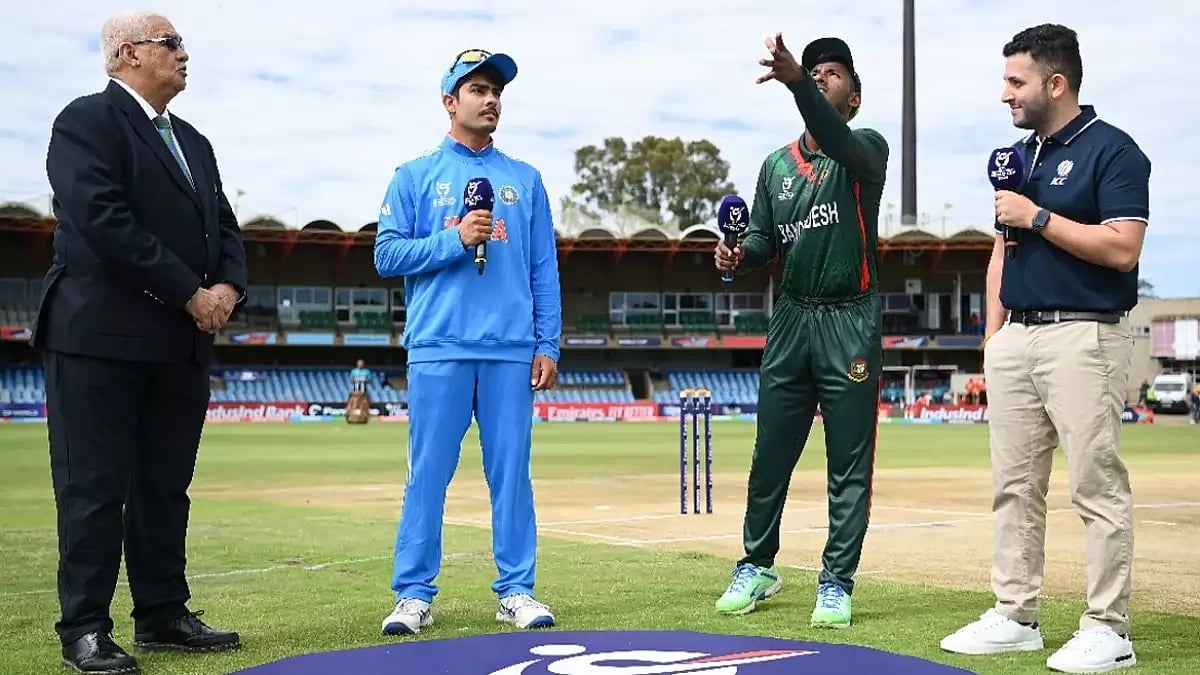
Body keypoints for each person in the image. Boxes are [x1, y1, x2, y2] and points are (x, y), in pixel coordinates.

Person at [32, 10, 245, 674]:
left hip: (177, 344)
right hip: (99, 336)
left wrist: (228, 287)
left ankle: (161, 614)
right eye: (171, 43)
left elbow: (225, 226)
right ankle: (85, 627)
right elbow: (103, 220)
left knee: (163, 486)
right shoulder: (86, 122)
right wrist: (189, 291)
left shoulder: (194, 142)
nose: (185, 54)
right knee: (94, 488)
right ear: (127, 53)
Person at [939, 24, 1149, 673]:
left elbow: (1123, 247)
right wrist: (991, 337)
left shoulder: (1114, 150)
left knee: (1095, 486)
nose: (1005, 94)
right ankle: (1015, 615)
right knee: (1014, 488)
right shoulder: (1016, 158)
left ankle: (1109, 628)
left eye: (1016, 81)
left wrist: (1038, 216)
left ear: (1055, 83)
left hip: (1084, 334)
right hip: (1017, 338)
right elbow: (1001, 250)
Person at [373, 48, 562, 636]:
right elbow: (386, 255)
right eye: (477, 90)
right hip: (439, 346)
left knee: (512, 477)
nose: (491, 100)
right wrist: (454, 239)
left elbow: (543, 269)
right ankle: (413, 594)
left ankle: (517, 590)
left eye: (496, 91)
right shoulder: (413, 175)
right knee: (427, 475)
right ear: (449, 102)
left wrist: (548, 343)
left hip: (510, 349)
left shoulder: (526, 180)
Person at [712, 33, 889, 629]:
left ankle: (836, 581)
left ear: (854, 97)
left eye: (832, 73)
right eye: (812, 71)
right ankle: (756, 565)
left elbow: (834, 137)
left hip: (849, 318)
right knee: (771, 454)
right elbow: (765, 240)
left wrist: (794, 84)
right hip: (791, 318)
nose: (820, 78)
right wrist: (738, 254)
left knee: (848, 462)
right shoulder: (775, 167)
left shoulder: (866, 149)